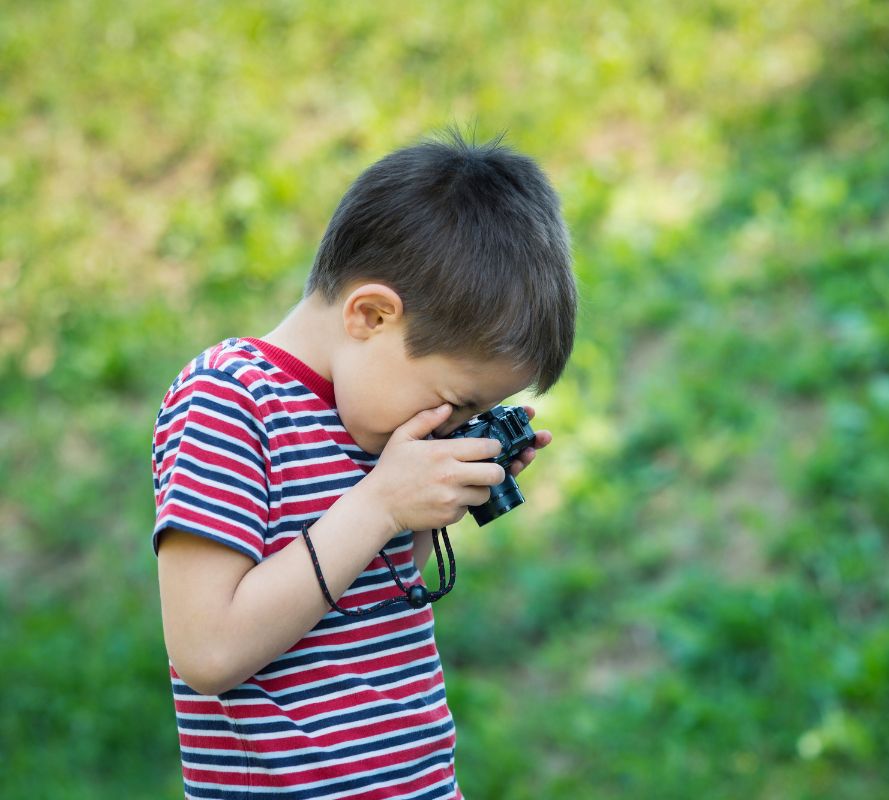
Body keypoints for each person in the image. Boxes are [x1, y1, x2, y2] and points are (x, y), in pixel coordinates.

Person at [150, 129, 577, 799]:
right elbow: (208, 653)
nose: (451, 426)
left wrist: (430, 501)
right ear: (372, 315)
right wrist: (380, 503)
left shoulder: (375, 421)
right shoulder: (229, 400)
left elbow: (361, 603)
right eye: (454, 403)